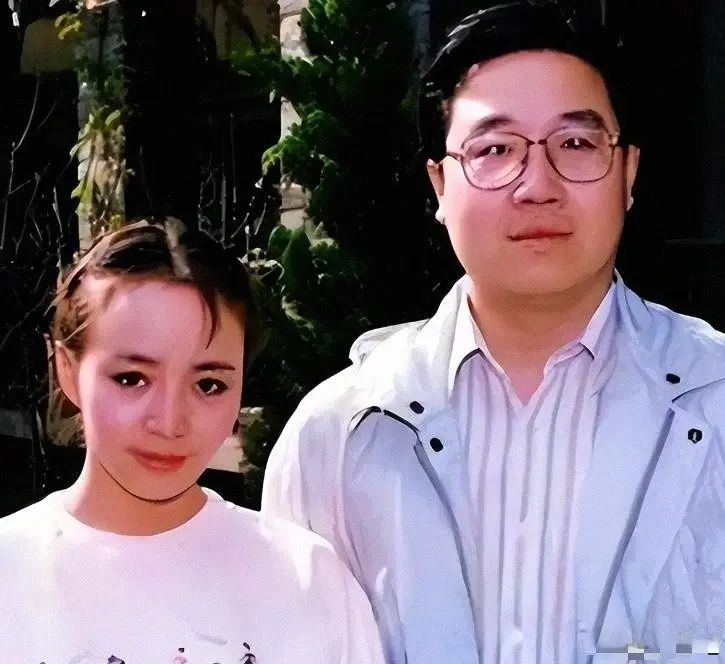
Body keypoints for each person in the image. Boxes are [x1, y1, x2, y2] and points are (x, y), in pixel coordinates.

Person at [261, 2, 725, 663]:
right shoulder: (337, 436)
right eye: (494, 150)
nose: (537, 185)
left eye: (575, 144)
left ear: (627, 174)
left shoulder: (714, 398)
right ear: (439, 185)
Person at [0, 218, 385, 664]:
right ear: (67, 369)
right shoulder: (11, 572)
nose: (170, 422)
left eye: (208, 385)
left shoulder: (308, 582)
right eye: (132, 378)